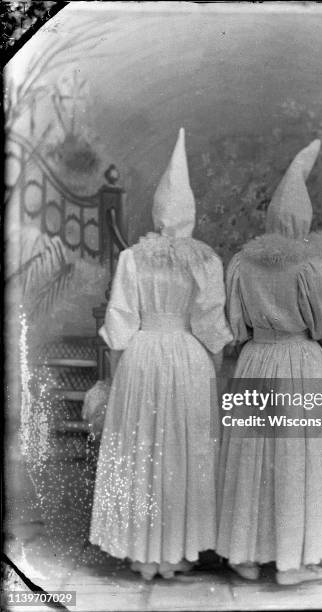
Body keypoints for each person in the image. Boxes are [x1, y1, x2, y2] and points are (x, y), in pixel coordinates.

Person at [90, 128, 232, 580]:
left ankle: (143, 553)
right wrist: (216, 369)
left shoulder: (133, 257)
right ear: (191, 215)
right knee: (182, 450)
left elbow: (120, 321)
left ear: (155, 211)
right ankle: (178, 550)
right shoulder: (206, 260)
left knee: (143, 446)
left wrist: (114, 376)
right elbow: (211, 325)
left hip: (142, 356)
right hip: (188, 359)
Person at [216, 140, 322, 585]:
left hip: (256, 359)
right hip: (299, 360)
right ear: (304, 219)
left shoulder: (240, 263)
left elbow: (233, 325)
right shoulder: (309, 264)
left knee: (253, 452)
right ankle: (294, 559)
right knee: (297, 453)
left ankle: (245, 552)